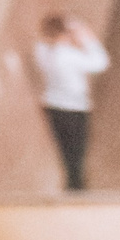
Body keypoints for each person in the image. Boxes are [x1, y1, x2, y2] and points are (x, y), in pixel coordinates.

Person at [34, 12, 110, 192]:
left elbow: (44, 40)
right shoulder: (67, 55)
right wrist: (88, 39)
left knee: (66, 155)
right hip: (74, 110)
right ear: (64, 34)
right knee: (77, 156)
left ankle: (73, 189)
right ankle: (76, 192)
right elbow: (100, 63)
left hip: (52, 107)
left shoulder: (43, 52)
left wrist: (68, 27)